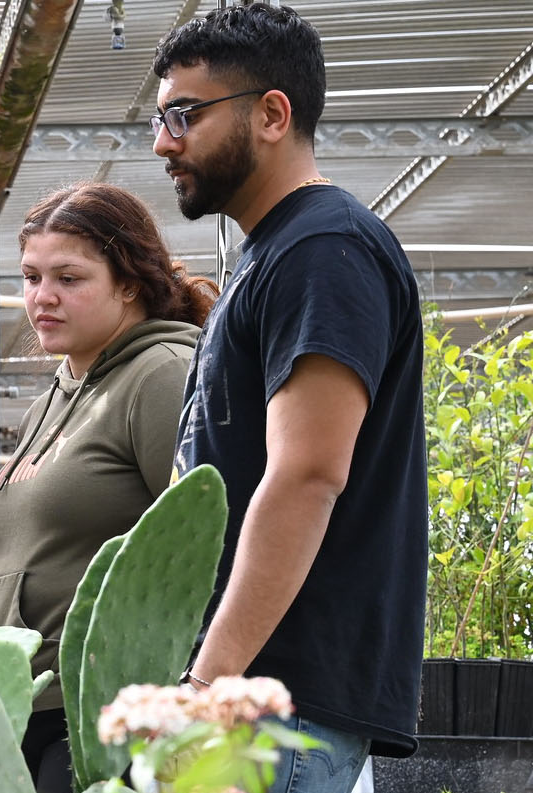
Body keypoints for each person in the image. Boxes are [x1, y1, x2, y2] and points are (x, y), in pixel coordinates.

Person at [153, 4, 427, 789]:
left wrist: (208, 685)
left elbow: (308, 474)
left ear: (273, 114)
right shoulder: (280, 251)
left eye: (185, 114)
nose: (163, 140)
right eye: (161, 116)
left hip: (274, 709)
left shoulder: (323, 249)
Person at [0, 182, 217, 792]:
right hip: (17, 705)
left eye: (69, 278)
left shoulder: (163, 374)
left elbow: (212, 551)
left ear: (130, 282)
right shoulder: (58, 391)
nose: (42, 298)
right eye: (32, 276)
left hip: (95, 716)